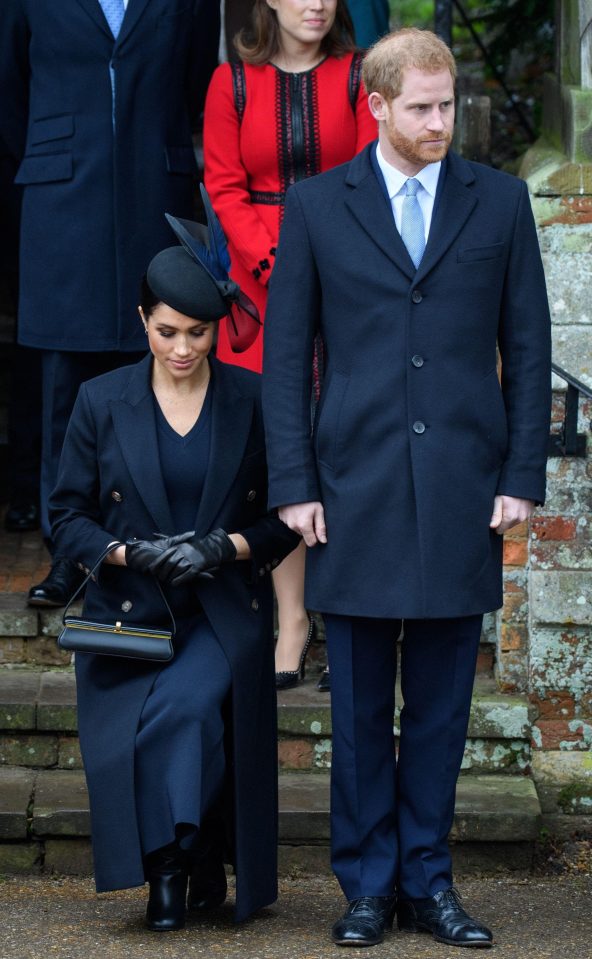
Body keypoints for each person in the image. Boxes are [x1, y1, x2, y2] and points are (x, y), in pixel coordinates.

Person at [263, 27, 551, 949]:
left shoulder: (501, 204)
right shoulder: (315, 207)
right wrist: (293, 483)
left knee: (438, 708)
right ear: (376, 106)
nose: (441, 121)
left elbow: (532, 349)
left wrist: (519, 477)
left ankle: (430, 881)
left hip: (463, 489)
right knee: (354, 707)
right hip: (350, 488)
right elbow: (284, 360)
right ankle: (367, 885)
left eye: (449, 104)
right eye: (422, 106)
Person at [48, 202, 300, 931]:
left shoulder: (250, 401)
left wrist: (224, 547)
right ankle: (189, 853)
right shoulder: (101, 402)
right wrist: (127, 551)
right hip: (128, 614)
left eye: (197, 332)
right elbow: (66, 517)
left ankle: (170, 861)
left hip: (222, 612)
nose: (183, 347)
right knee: (163, 720)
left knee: (184, 710)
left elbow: (287, 517)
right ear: (141, 319)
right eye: (167, 331)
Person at [0, 0, 220, 606]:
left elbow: (197, 78)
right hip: (60, 198)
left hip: (157, 190)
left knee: (156, 373)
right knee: (61, 387)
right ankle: (70, 553)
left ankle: (151, 545)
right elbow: (8, 92)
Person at [204, 0, 377, 691]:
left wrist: (326, 268)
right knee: (281, 456)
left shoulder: (360, 75)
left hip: (350, 279)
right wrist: (277, 264)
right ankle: (293, 619)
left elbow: (371, 176)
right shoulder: (232, 83)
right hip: (262, 288)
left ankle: (352, 619)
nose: (316, 3)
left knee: (350, 443)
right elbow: (223, 184)